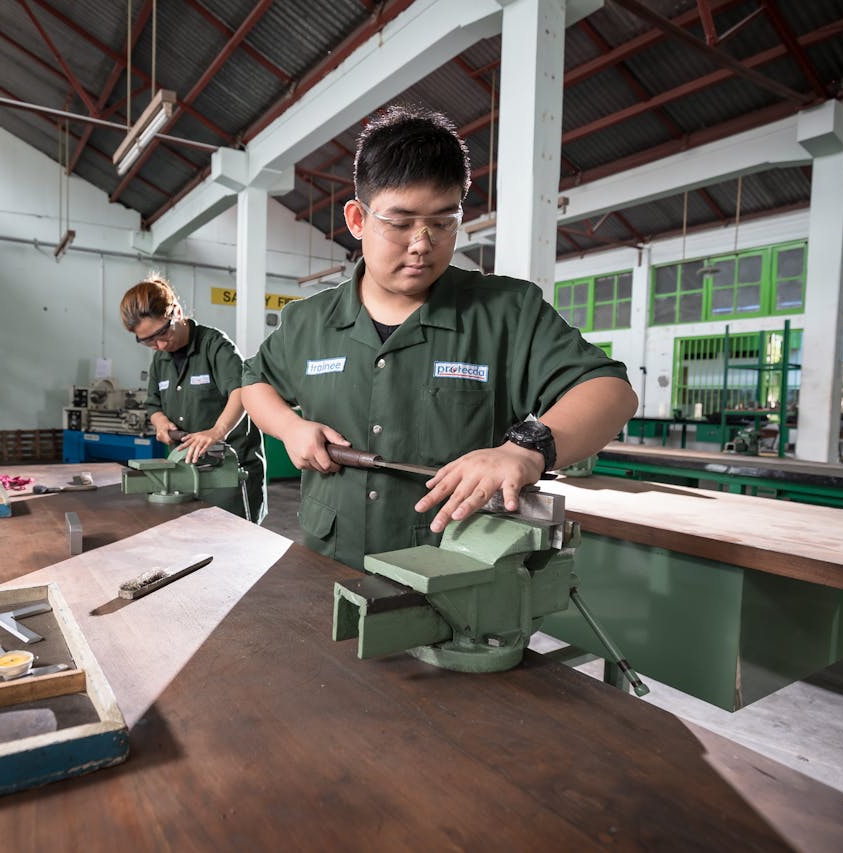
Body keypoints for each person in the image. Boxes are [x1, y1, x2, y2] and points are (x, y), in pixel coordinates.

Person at [241, 104, 637, 570]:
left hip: (456, 573)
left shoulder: (506, 313)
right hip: (329, 562)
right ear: (357, 219)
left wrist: (525, 450)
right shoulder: (308, 321)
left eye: (443, 221)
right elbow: (254, 381)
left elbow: (610, 391)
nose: (422, 243)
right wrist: (292, 428)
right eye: (400, 222)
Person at [120, 276, 267, 523]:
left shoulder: (215, 346)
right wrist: (160, 423)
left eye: (161, 333)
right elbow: (153, 404)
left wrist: (217, 431)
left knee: (232, 545)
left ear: (176, 312)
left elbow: (243, 391)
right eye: (147, 341)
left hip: (227, 473)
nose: (158, 344)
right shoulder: (160, 358)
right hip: (185, 470)